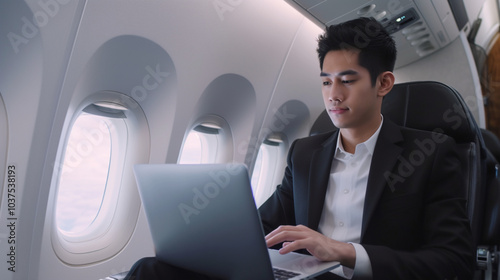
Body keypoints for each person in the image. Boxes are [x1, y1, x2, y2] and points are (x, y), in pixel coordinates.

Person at [125, 17, 474, 280]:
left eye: (347, 81)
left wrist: (346, 253)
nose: (333, 95)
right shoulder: (305, 153)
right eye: (326, 81)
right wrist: (195, 244)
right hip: (301, 276)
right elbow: (260, 227)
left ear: (383, 83)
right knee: (150, 270)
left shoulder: (431, 153)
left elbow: (453, 260)